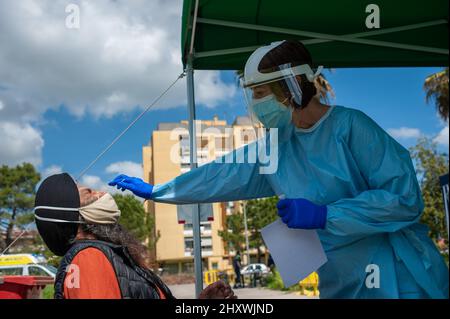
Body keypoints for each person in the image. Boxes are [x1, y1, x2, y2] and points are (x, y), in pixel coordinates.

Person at [109, 40, 449, 299]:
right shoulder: (278, 145)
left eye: (261, 92)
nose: (256, 103)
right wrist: (160, 191)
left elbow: (404, 199)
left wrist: (325, 215)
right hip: (340, 283)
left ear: (291, 85)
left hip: (398, 277)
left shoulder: (351, 126)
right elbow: (222, 174)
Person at [34, 173, 236, 299]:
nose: (102, 194)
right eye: (90, 193)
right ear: (72, 216)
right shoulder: (89, 258)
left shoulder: (107, 255)